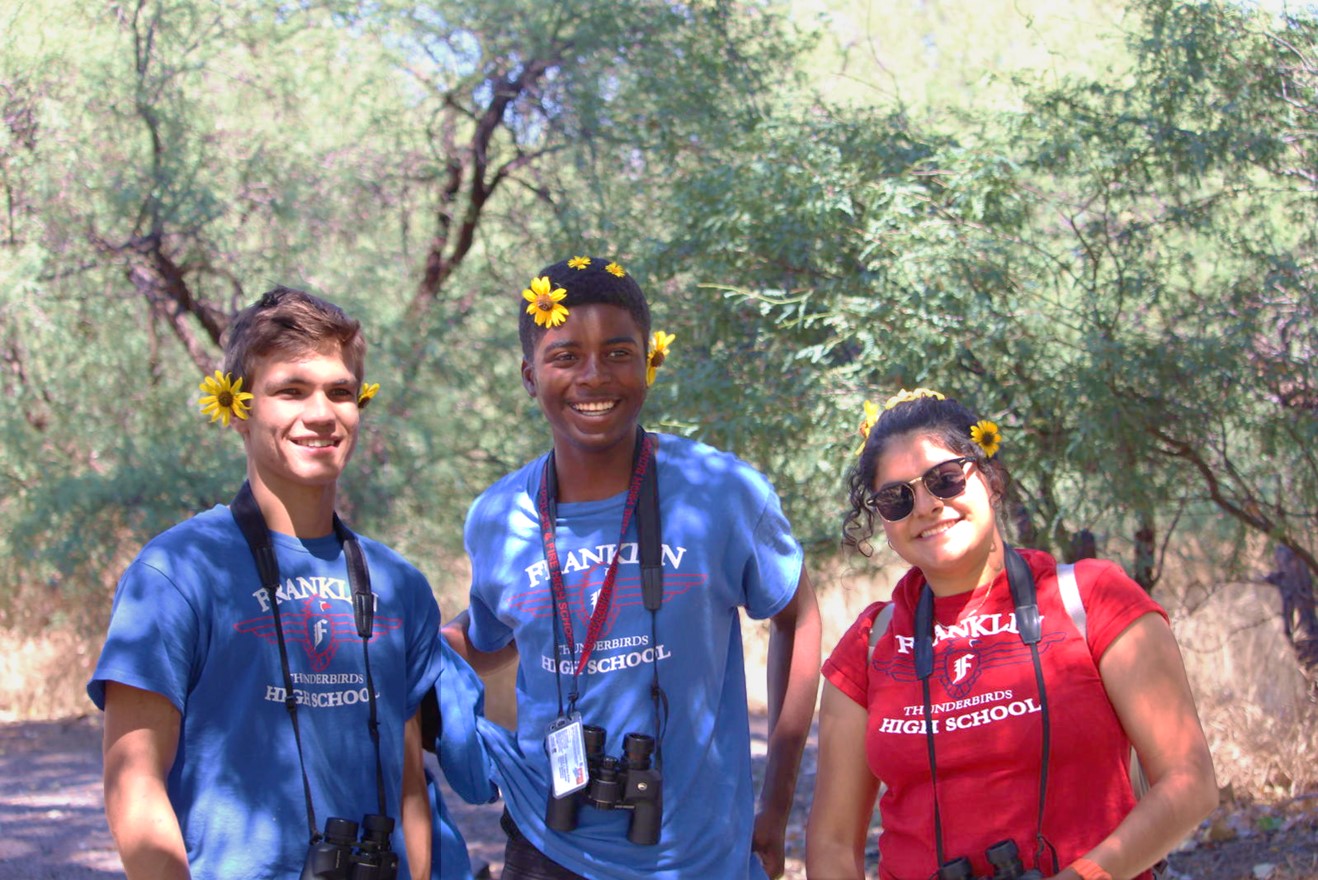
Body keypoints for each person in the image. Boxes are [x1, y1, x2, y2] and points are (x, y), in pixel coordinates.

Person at [441, 255, 821, 880]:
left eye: (619, 352)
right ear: (529, 376)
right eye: (565, 356)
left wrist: (776, 807)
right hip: (547, 847)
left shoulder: (719, 492)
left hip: (696, 857)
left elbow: (798, 617)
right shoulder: (497, 515)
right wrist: (401, 657)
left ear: (649, 362)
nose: (594, 376)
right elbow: (486, 639)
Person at [88, 287, 443, 879]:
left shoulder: (399, 584)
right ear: (240, 409)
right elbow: (133, 783)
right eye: (291, 390)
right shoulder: (175, 573)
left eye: (340, 392)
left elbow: (408, 786)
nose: (322, 413)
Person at [806, 389, 1217, 880]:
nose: (927, 506)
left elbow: (1189, 783)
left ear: (992, 479)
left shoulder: (1093, 598)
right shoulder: (871, 644)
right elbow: (832, 843)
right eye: (897, 498)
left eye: (946, 479)